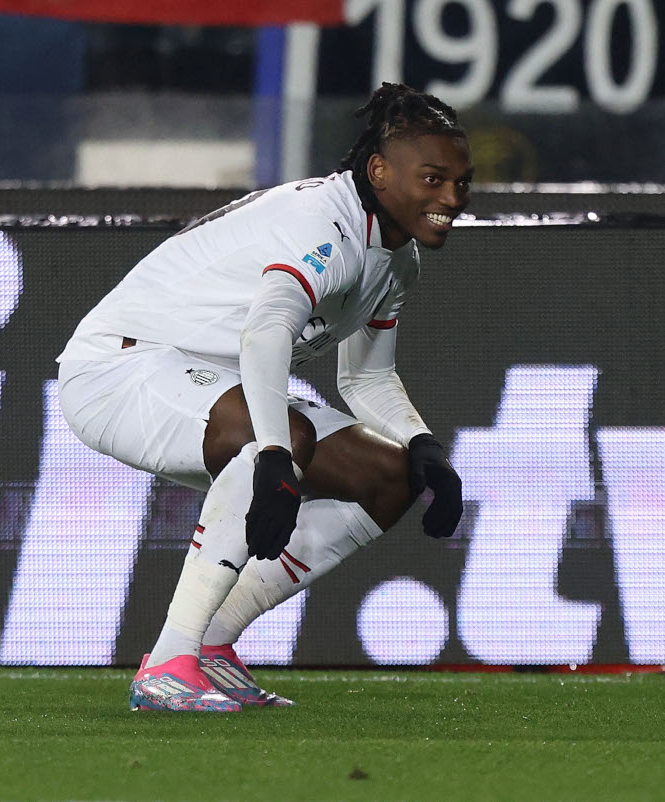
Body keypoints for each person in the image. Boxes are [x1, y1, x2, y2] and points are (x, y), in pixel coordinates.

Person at [57, 82, 469, 712]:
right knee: (272, 439)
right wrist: (275, 454)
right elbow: (267, 331)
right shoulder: (322, 225)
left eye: (460, 183)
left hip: (204, 377)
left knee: (389, 475)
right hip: (120, 368)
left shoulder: (397, 257)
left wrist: (424, 447)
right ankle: (168, 663)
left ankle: (214, 648)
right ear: (380, 170)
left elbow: (364, 379)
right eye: (434, 179)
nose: (451, 199)